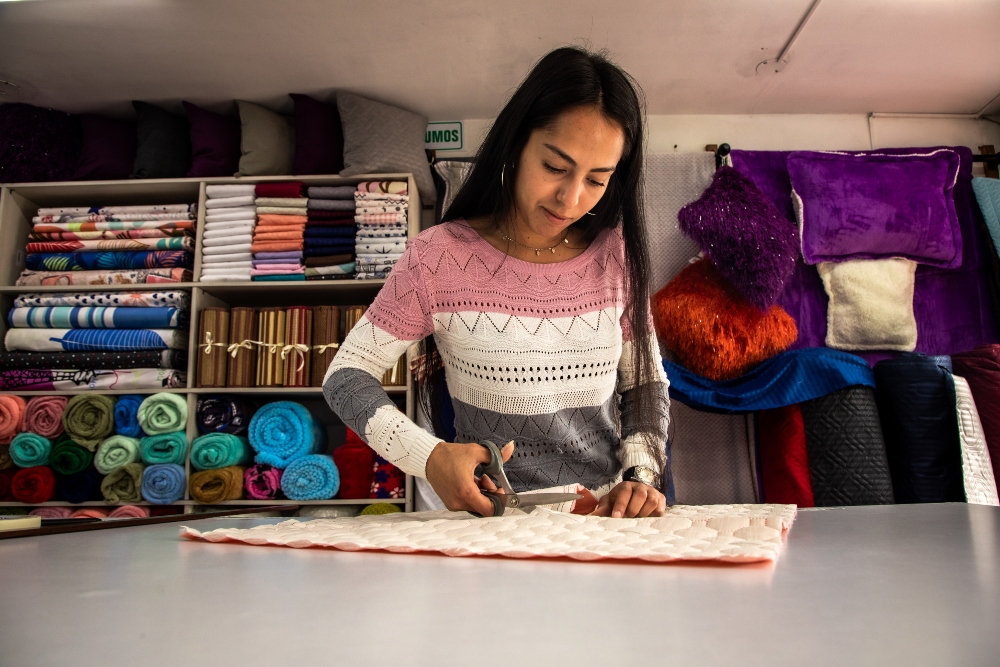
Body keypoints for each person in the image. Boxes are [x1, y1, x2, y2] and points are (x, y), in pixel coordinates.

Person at [323, 46, 670, 518]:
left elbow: (645, 383)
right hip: (492, 525)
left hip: (605, 522)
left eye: (597, 179)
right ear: (515, 145)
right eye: (555, 167)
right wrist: (429, 456)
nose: (571, 198)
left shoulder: (615, 257)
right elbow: (346, 376)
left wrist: (640, 477)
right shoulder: (438, 256)